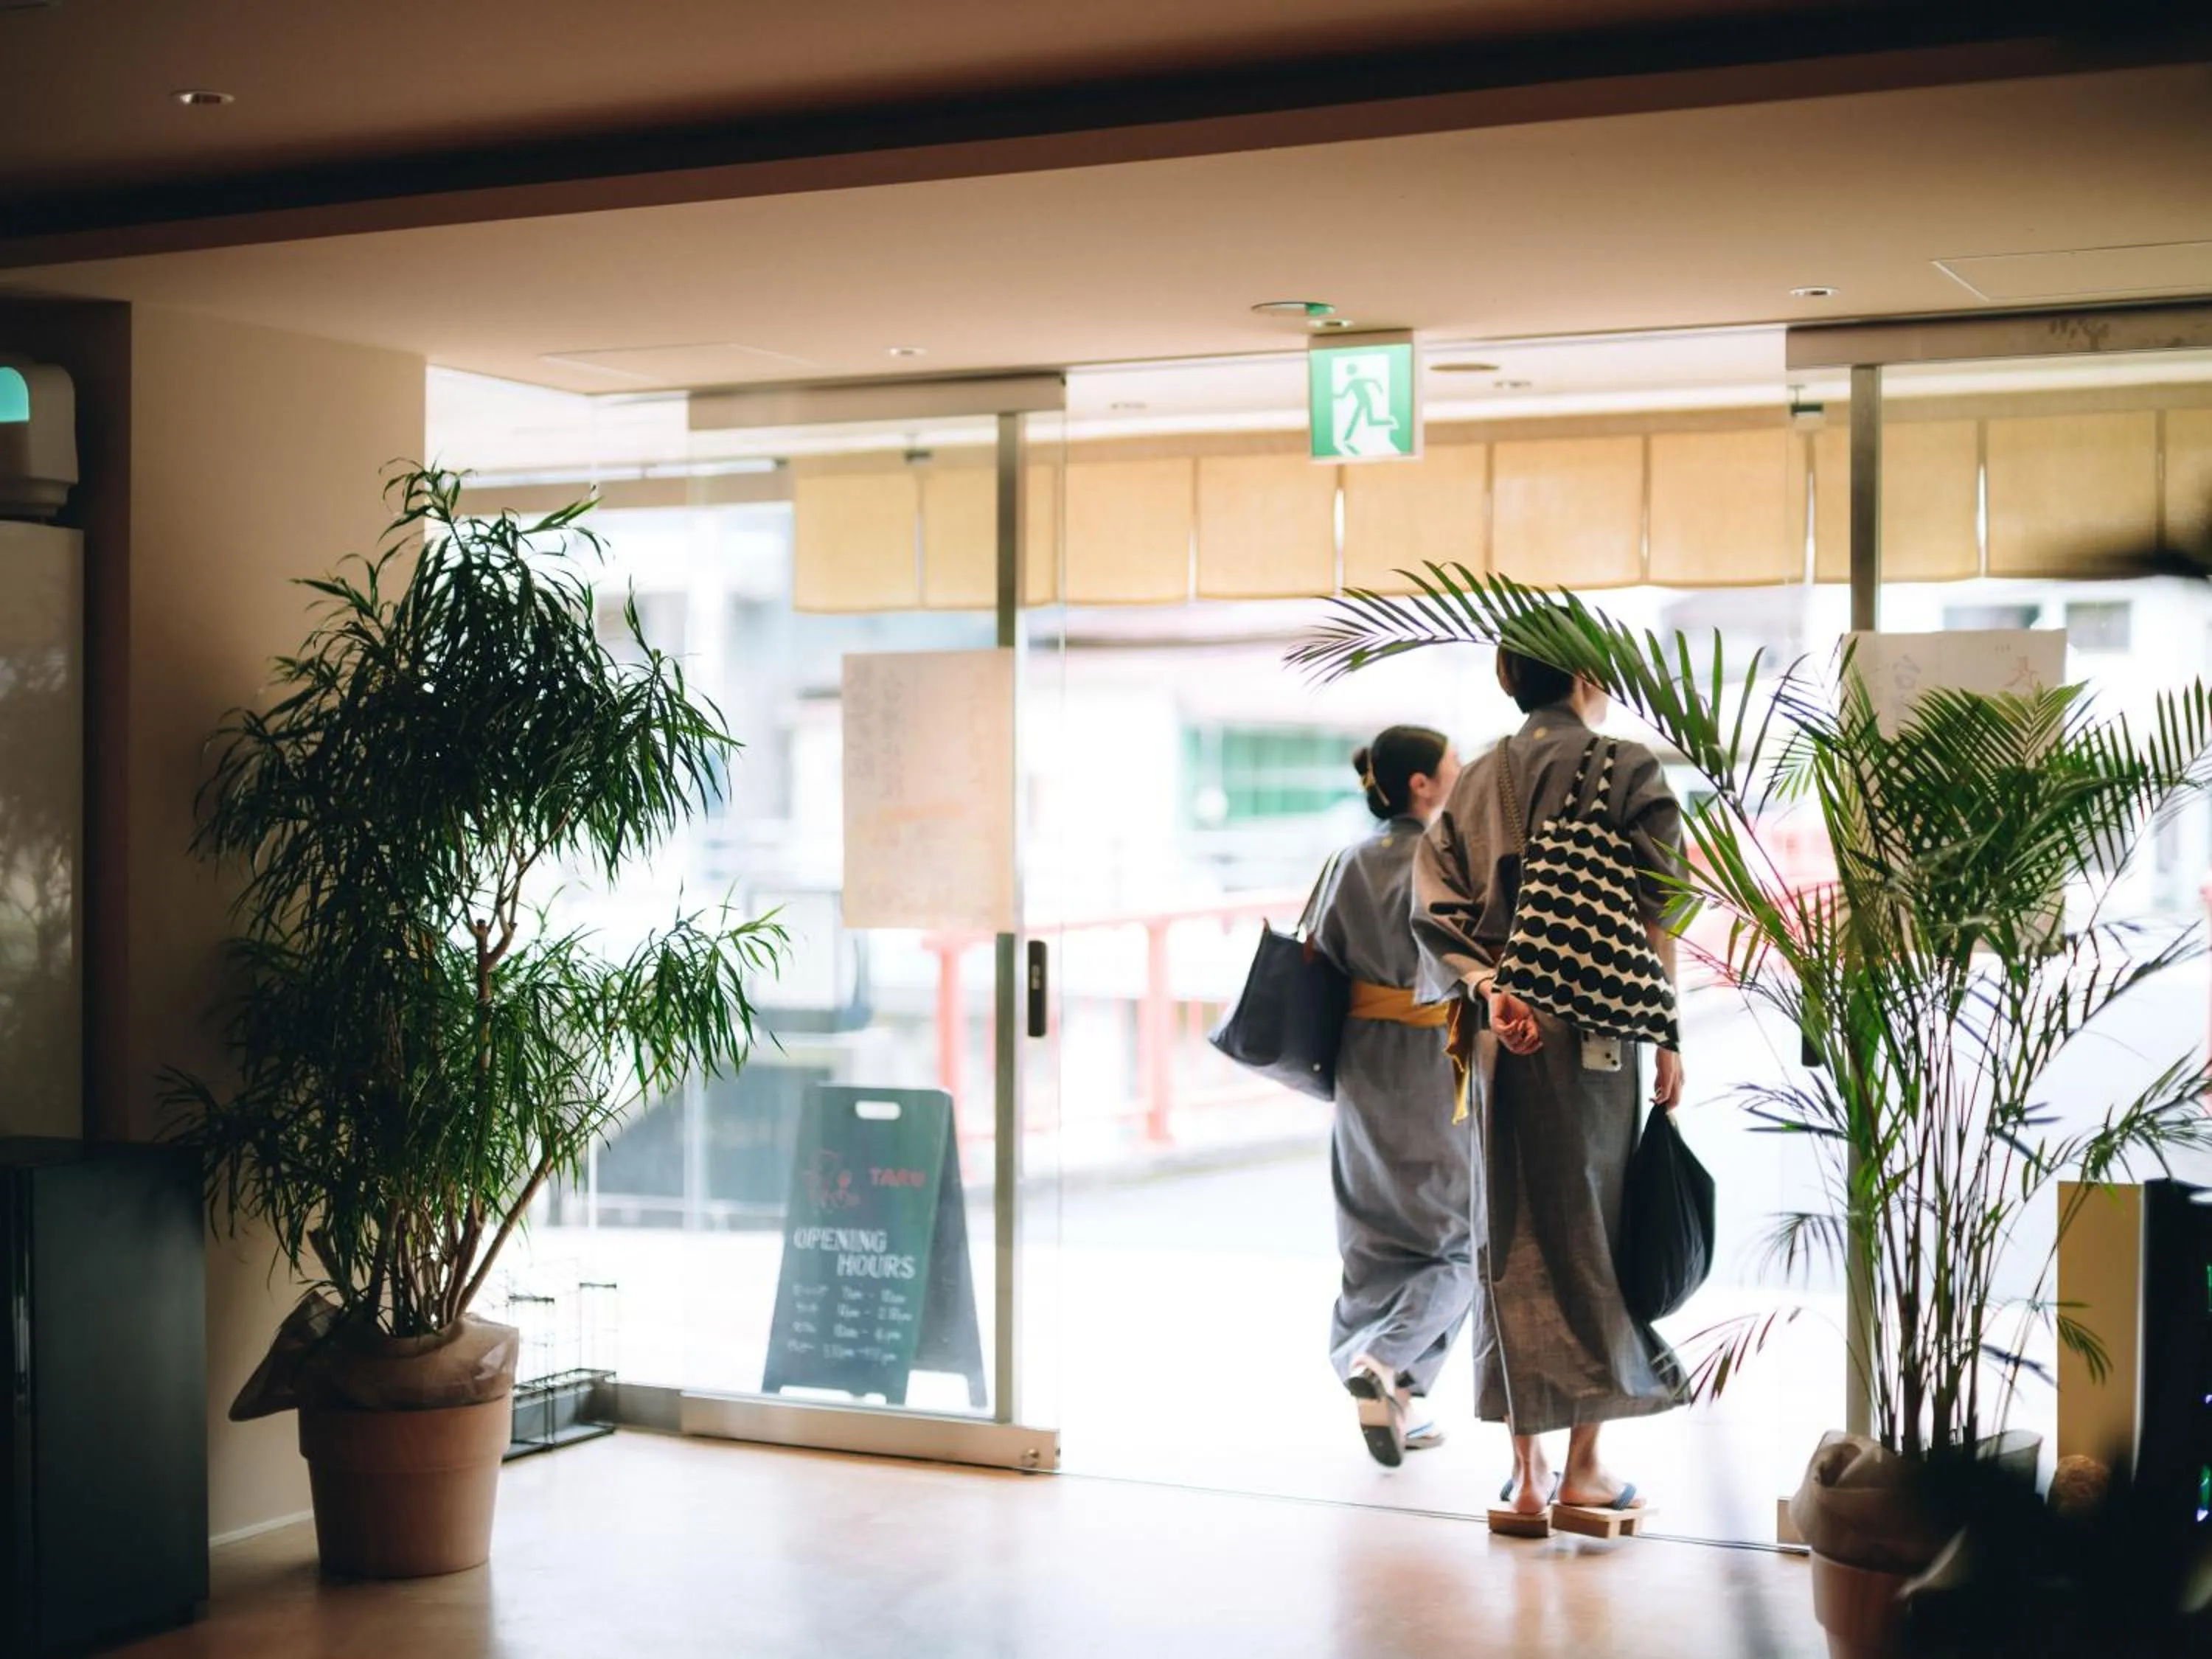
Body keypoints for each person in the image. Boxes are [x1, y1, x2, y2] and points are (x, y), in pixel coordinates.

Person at [1411, 647, 1688, 1529]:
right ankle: (1587, 1472)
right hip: (1603, 1027)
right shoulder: (1628, 765)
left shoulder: (1481, 774)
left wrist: (1492, 988)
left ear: (1506, 682)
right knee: (1595, 1234)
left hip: (1506, 1027)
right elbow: (1660, 906)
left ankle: (1525, 1483)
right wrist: (1668, 1032)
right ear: (1589, 681)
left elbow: (1436, 910)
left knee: (1512, 1232)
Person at [1310, 725, 1470, 1467]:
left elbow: (1319, 958)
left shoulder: (1345, 861)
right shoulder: (1444, 861)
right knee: (1459, 1240)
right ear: (1422, 786)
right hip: (1434, 1062)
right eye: (1454, 767)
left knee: (1375, 1234)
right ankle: (1383, 1359)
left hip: (1360, 1064)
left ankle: (1396, 1400)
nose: (1461, 776)